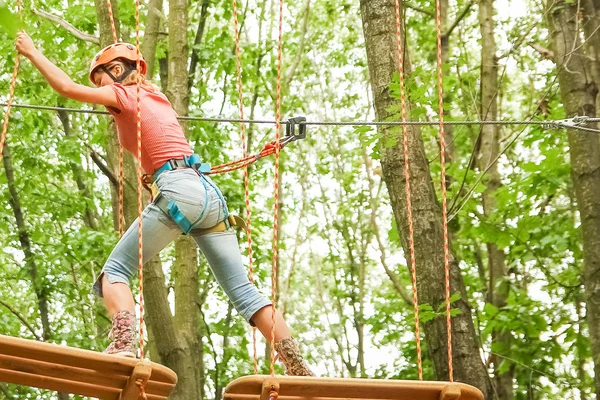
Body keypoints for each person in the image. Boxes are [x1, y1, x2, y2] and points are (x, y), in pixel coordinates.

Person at [15, 32, 314, 377]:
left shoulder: (122, 93)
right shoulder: (156, 95)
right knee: (244, 291)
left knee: (114, 272)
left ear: (116, 69)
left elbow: (66, 88)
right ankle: (297, 365)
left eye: (101, 82)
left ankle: (123, 347)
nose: (102, 95)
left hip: (179, 192)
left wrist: (33, 51)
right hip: (208, 194)